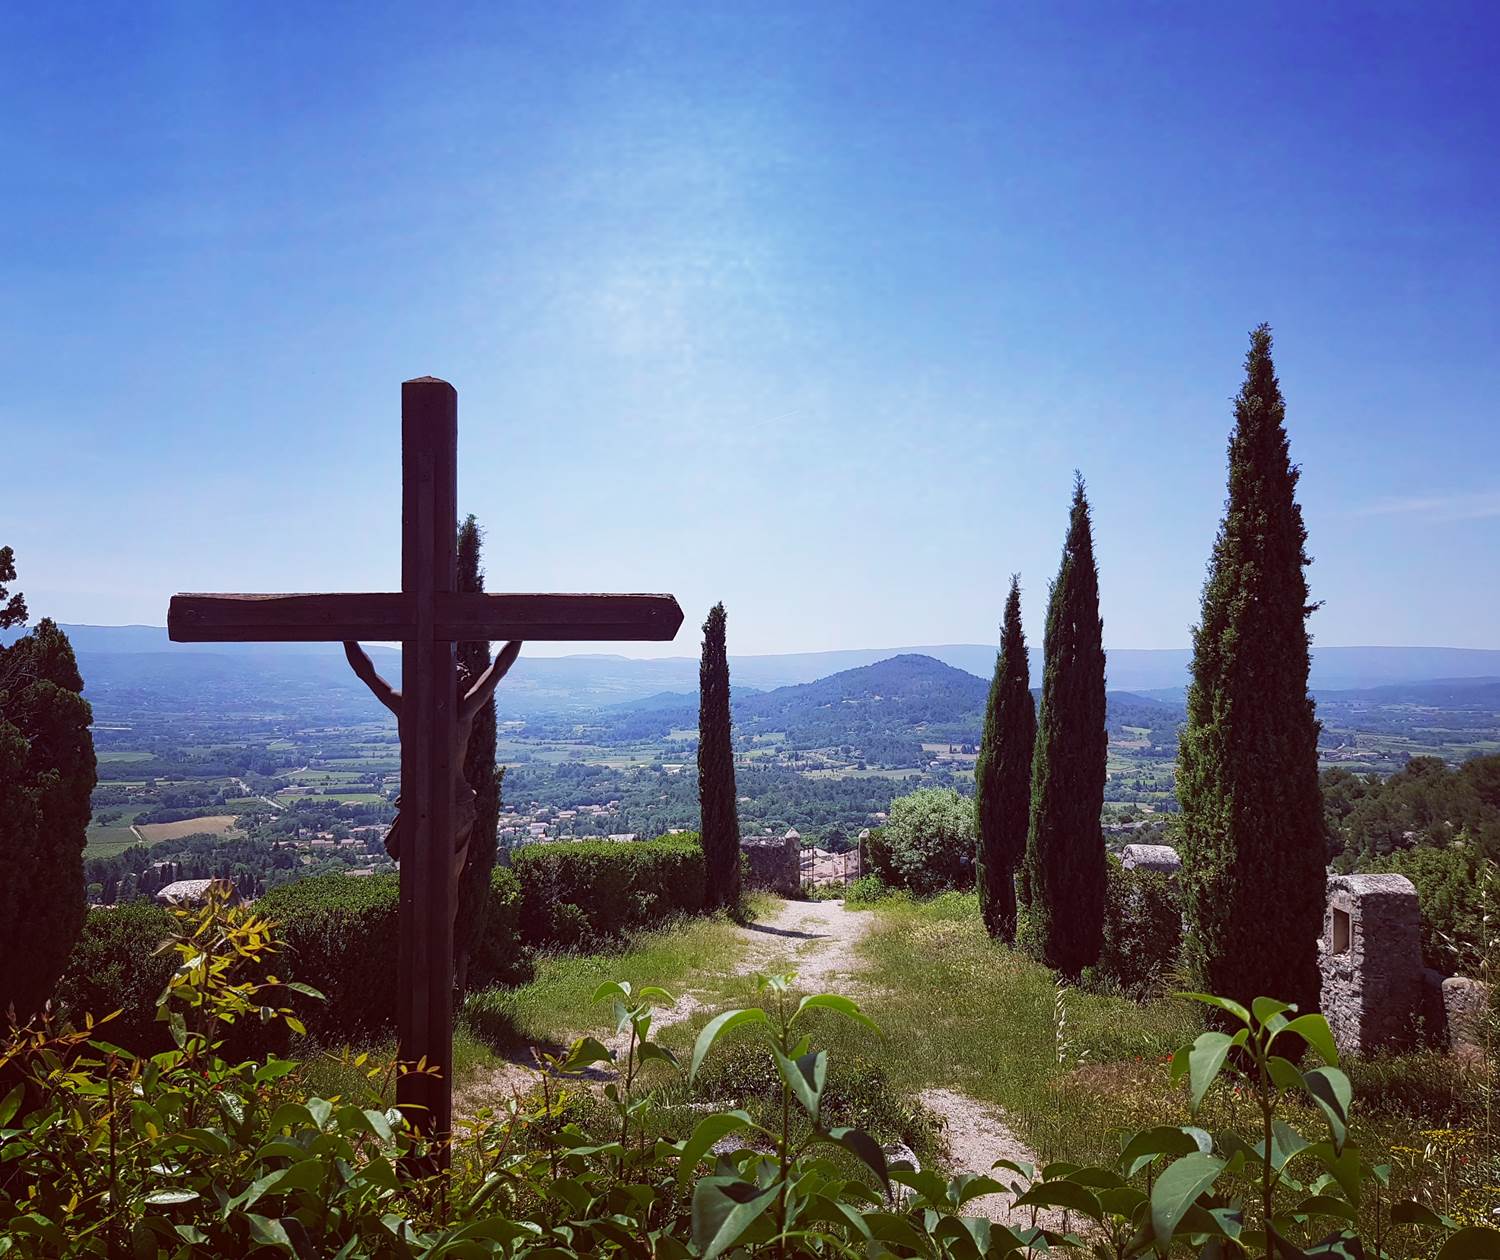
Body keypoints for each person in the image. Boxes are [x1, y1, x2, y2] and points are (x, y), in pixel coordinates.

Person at [342, 638, 521, 921]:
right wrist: (519, 633)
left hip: (419, 804)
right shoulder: (462, 710)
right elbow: (498, 669)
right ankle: (440, 940)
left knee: (416, 884)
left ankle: (423, 941)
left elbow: (365, 672)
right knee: (448, 886)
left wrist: (348, 637)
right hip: (455, 806)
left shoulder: (406, 706)